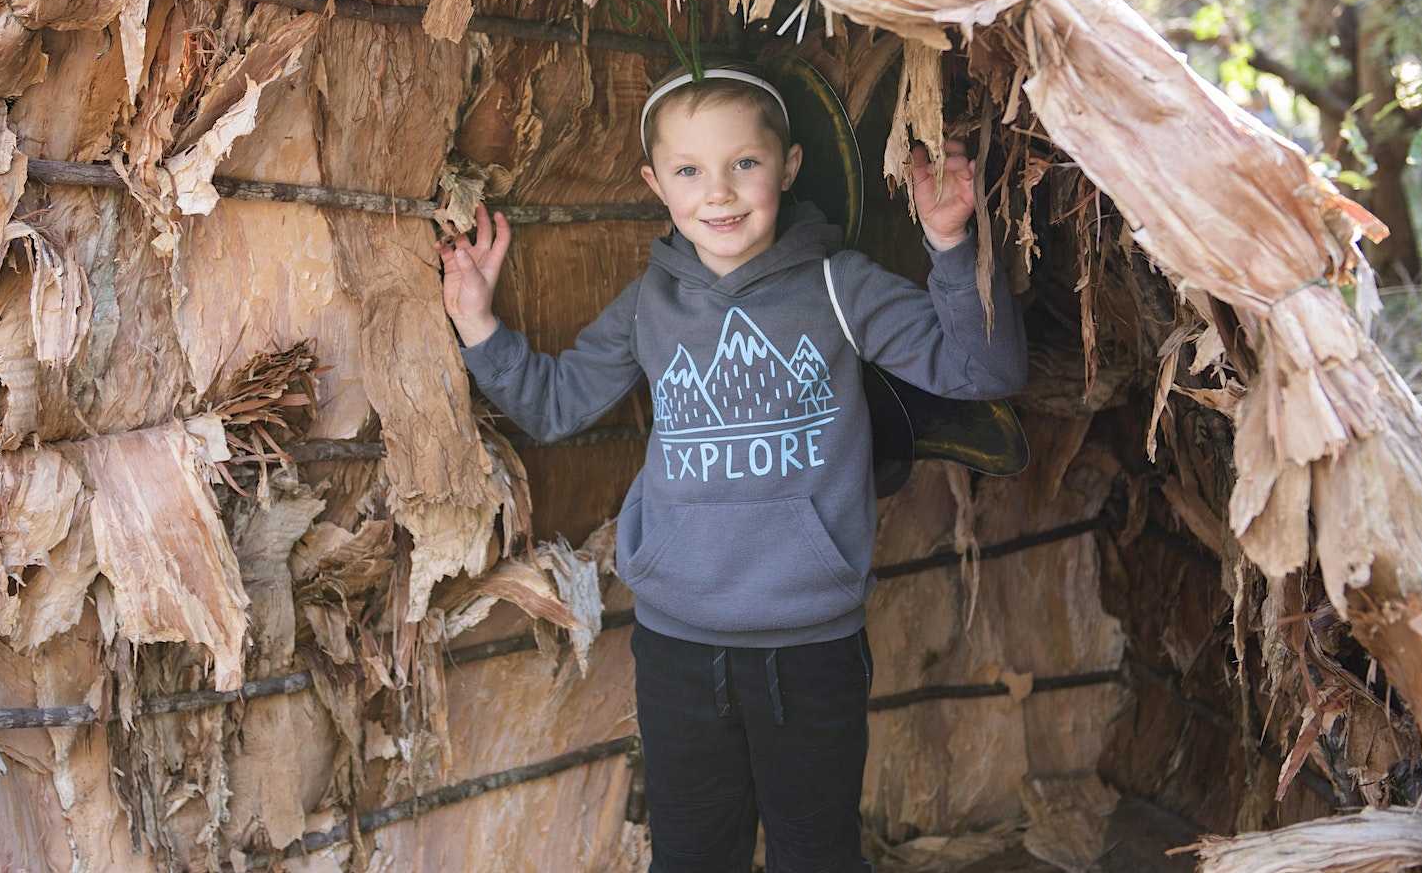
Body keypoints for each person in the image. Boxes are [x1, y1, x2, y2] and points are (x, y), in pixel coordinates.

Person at [438, 62, 1027, 872]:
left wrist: (951, 244)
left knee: (815, 855)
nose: (718, 192)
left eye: (743, 163)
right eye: (689, 171)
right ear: (656, 183)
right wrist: (479, 328)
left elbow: (983, 374)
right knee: (691, 856)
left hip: (813, 644)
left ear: (785, 167)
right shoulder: (651, 303)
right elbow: (556, 404)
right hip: (678, 646)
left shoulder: (837, 286)